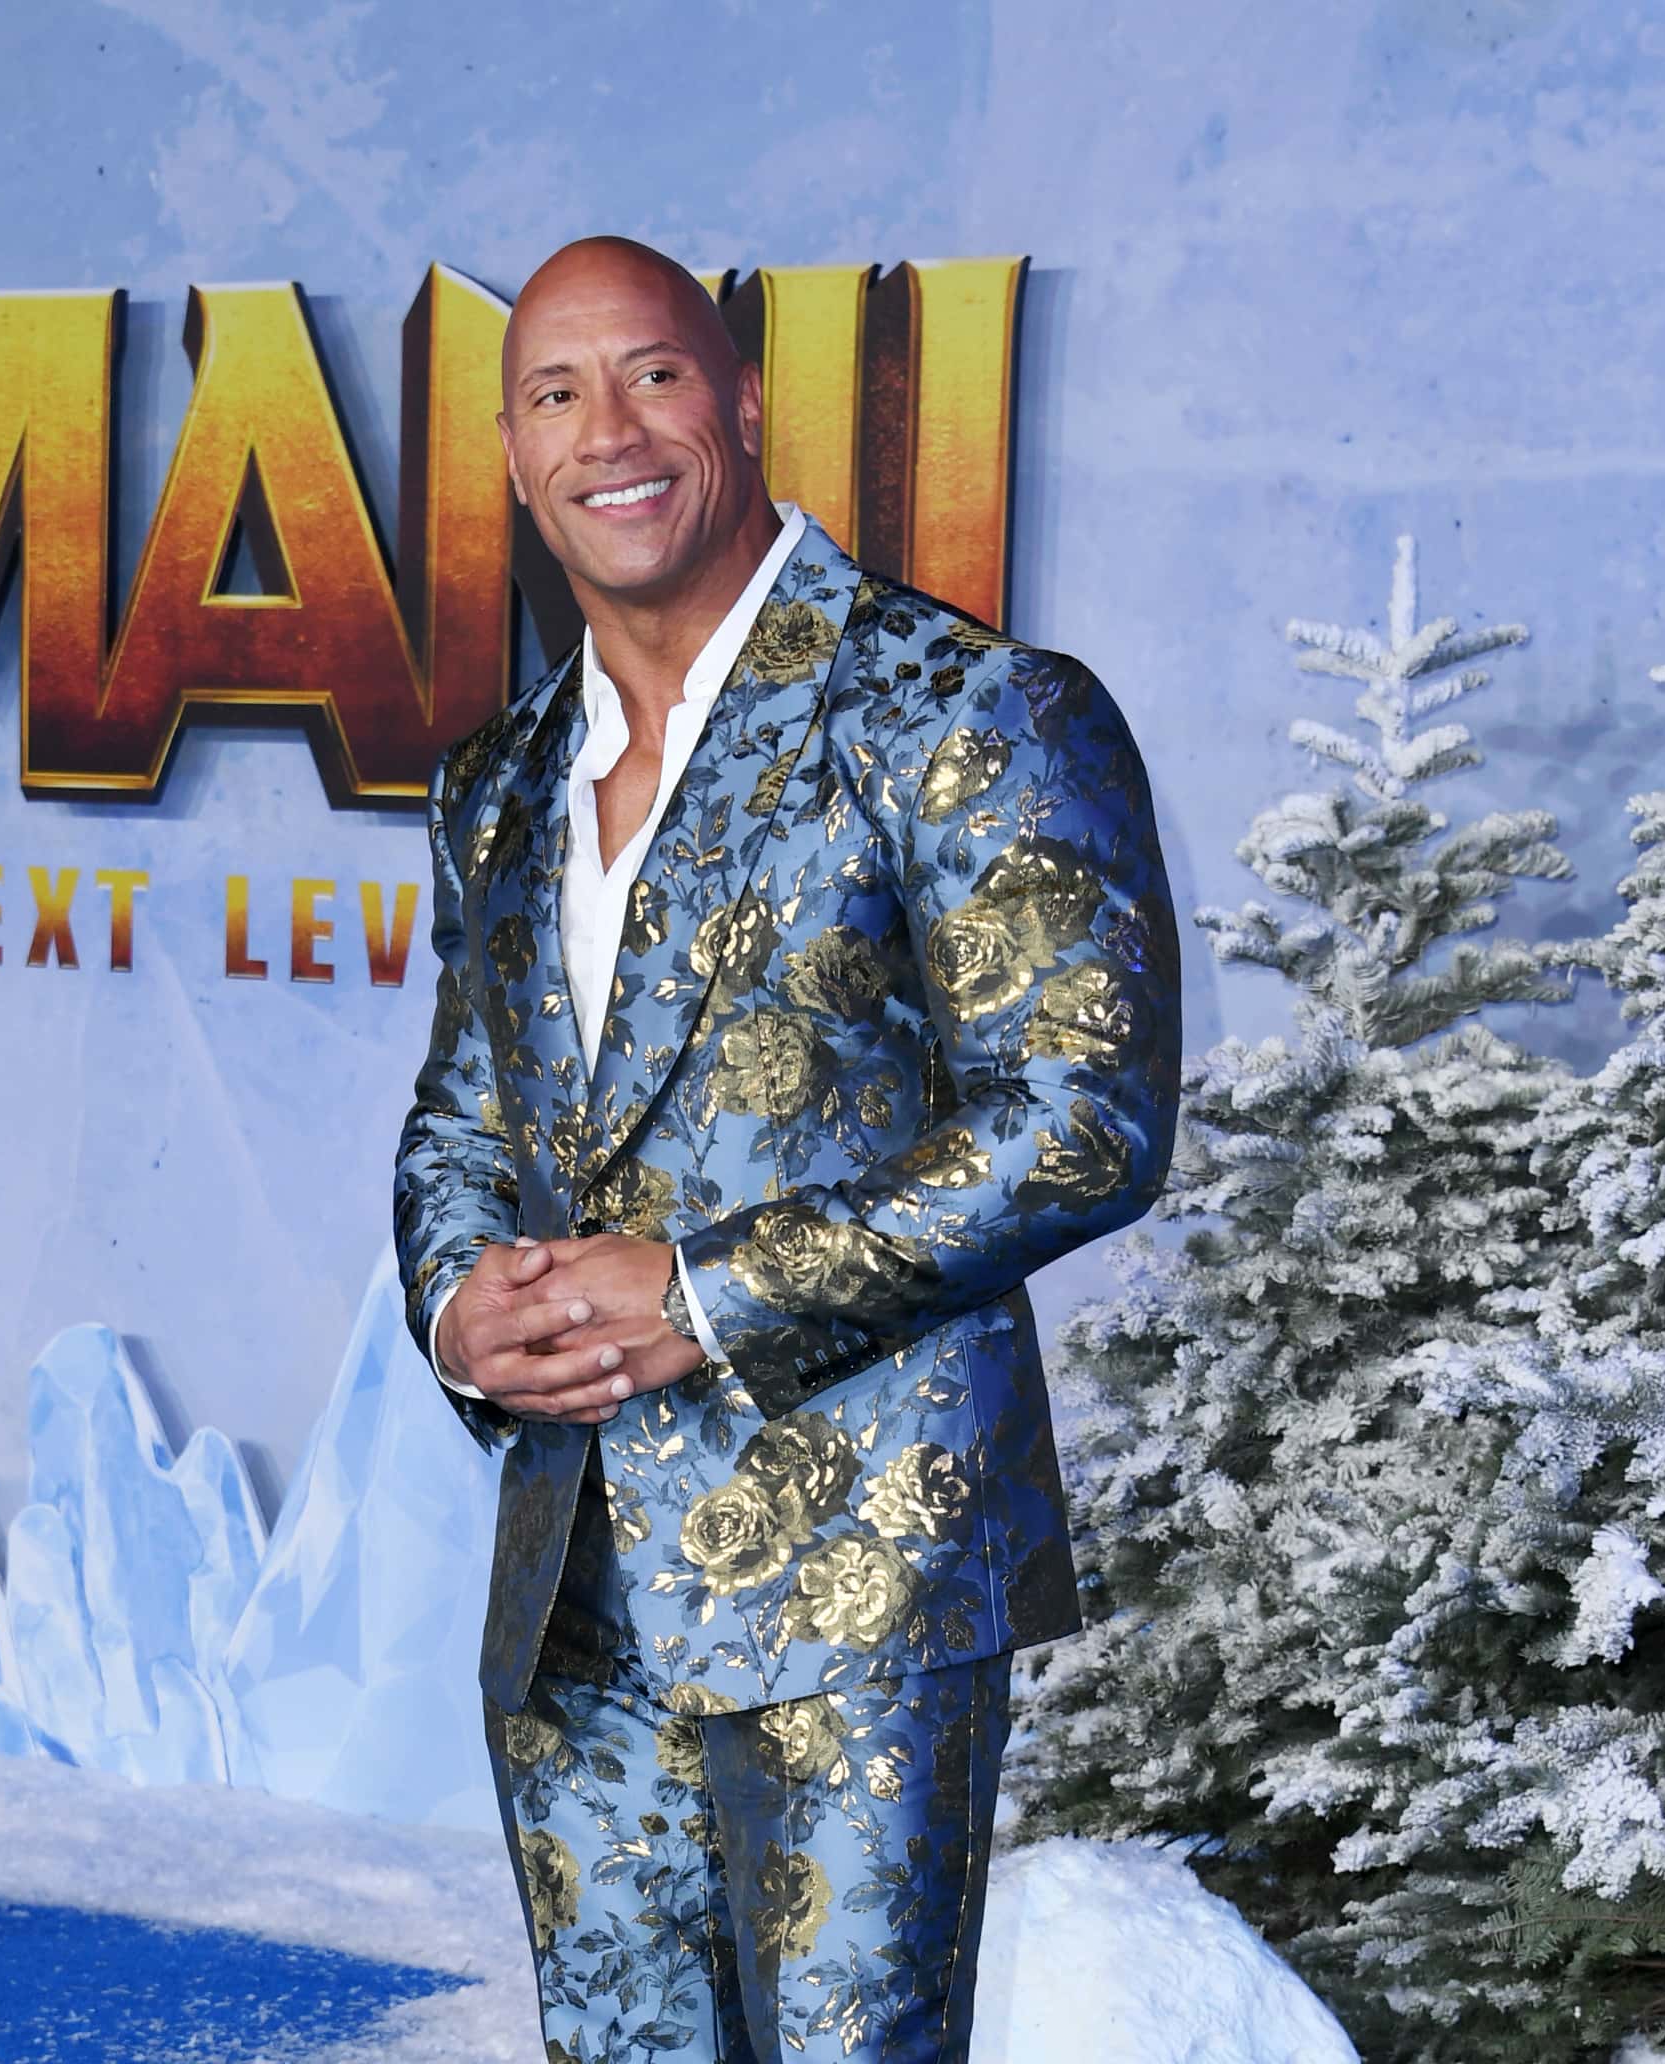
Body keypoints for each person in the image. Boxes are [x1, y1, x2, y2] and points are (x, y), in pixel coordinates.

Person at [390, 233, 1181, 2062]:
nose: (609, 432)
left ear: (743, 404)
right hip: (571, 1581)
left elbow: (1084, 1118)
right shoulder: (497, 784)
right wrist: (454, 1309)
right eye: (556, 394)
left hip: (859, 1579)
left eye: (653, 375)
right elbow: (465, 1111)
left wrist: (701, 1293)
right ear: (513, 455)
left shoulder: (965, 707)